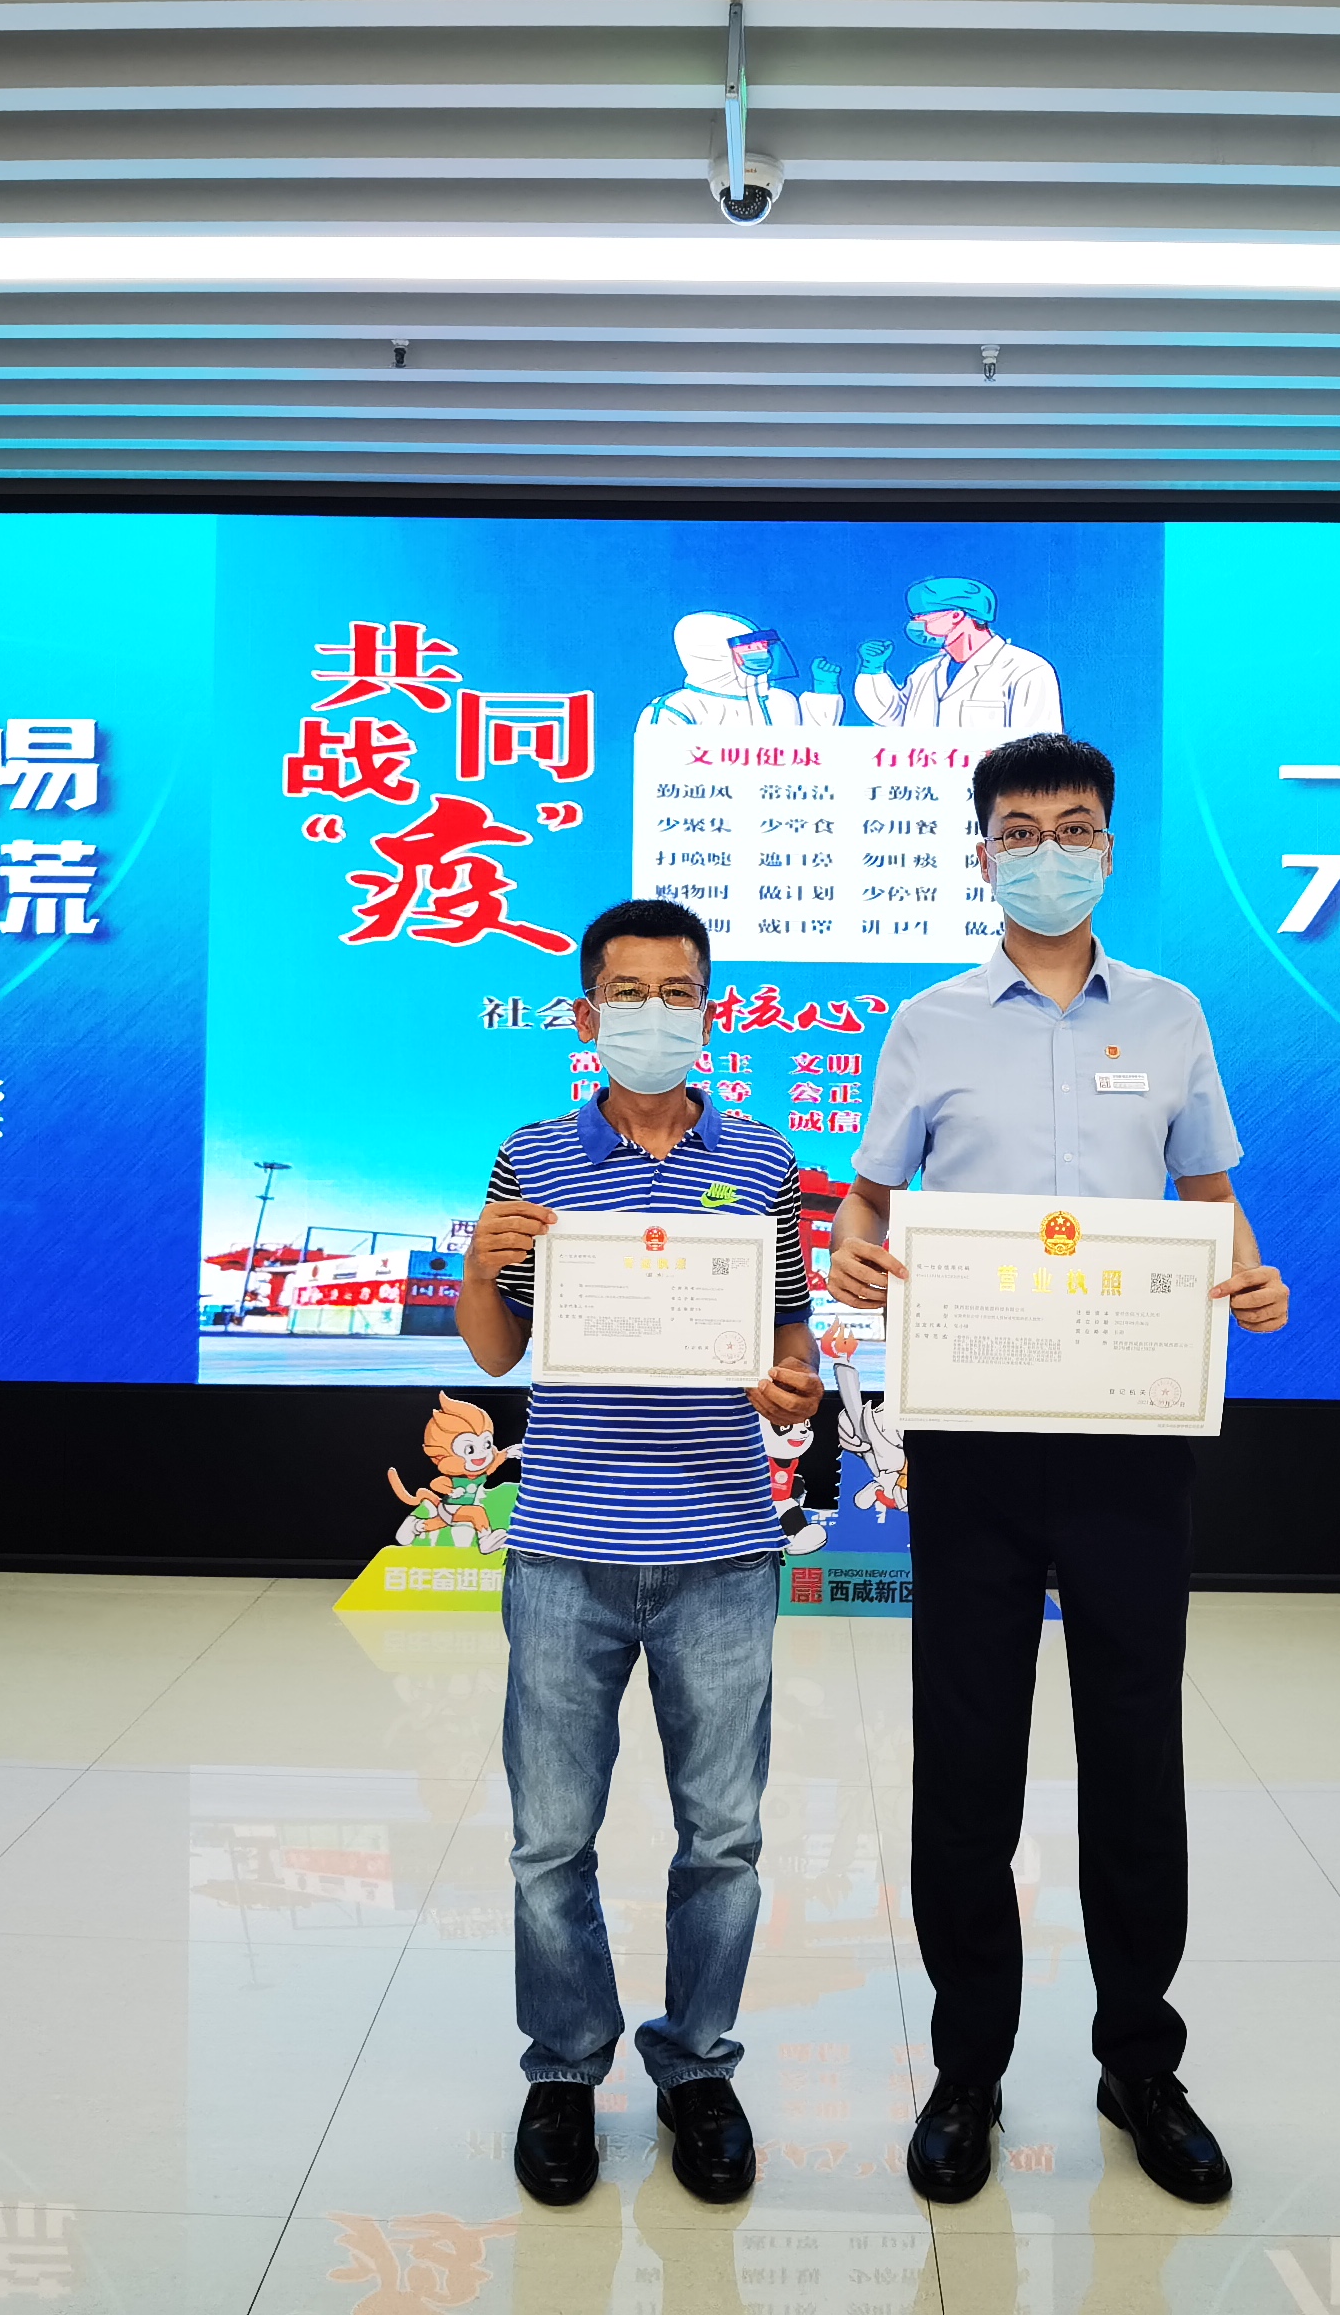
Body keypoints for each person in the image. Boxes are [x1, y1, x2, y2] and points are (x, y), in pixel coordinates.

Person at [825, 730, 1291, 2209]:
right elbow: (865, 1206)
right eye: (1018, 830)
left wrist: (1255, 1274)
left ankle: (1140, 2062)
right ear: (981, 854)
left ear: (1109, 846)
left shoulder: (1169, 1014)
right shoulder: (928, 1025)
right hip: (973, 1439)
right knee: (968, 1761)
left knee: (1135, 1757)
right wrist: (852, 1253)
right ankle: (968, 2067)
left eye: (1072, 826)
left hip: (1132, 1438)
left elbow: (1210, 1197)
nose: (1047, 851)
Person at [456, 897, 823, 2210]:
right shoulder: (531, 1159)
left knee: (721, 1837)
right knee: (550, 1840)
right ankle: (564, 2070)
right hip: (565, 1546)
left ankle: (698, 2066)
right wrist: (479, 1264)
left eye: (678, 993)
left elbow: (791, 1340)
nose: (654, 1015)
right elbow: (497, 1350)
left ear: (709, 1010)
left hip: (722, 1546)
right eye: (629, 993)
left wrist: (794, 1385)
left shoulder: (765, 1161)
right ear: (584, 1012)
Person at [851, 577, 1062, 733]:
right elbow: (895, 717)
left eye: (922, 615)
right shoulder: (926, 672)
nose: (915, 623)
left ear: (956, 615)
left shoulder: (1026, 670)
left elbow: (1039, 749)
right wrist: (873, 670)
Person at [641, 610, 807, 728]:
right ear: (713, 654)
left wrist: (821, 693)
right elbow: (660, 765)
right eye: (749, 647)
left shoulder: (781, 702)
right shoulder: (676, 709)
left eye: (763, 646)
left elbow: (807, 755)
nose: (762, 654)